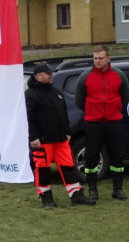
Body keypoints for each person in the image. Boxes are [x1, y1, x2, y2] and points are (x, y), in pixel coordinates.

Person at [25, 63, 95, 208]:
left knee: (69, 167)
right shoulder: (30, 95)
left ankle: (76, 195)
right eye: (47, 73)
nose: (51, 75)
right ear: (38, 76)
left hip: (61, 139)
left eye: (51, 73)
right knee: (43, 169)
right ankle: (46, 197)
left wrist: (68, 132)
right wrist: (33, 137)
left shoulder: (55, 92)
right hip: (42, 141)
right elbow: (28, 118)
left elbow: (63, 114)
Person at [74, 44, 129, 201]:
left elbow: (125, 97)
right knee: (91, 157)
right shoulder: (85, 77)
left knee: (117, 157)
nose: (97, 61)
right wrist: (93, 111)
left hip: (114, 122)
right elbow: (79, 100)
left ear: (108, 58)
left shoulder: (119, 76)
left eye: (100, 58)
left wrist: (116, 110)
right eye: (95, 58)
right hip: (93, 123)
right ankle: (93, 189)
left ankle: (117, 189)